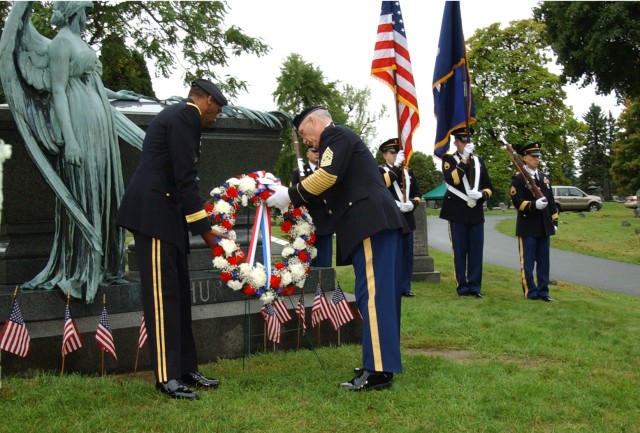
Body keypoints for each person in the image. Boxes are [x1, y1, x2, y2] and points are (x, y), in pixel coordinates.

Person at [0, 2, 144, 302]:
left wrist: (117, 94)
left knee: (103, 192)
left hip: (99, 122)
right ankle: (82, 266)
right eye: (85, 10)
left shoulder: (79, 42)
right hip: (78, 122)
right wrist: (70, 140)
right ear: (74, 11)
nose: (88, 15)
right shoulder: (60, 44)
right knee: (86, 192)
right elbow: (59, 90)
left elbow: (92, 82)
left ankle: (106, 265)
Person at [267, 107, 407, 391]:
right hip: (372, 224)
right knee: (379, 296)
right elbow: (326, 194)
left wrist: (289, 194)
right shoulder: (336, 141)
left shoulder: (335, 134)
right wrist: (291, 202)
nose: (306, 142)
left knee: (374, 297)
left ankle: (378, 370)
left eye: (305, 134)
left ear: (315, 122)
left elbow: (326, 178)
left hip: (370, 223)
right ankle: (381, 361)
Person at [116, 79, 228, 400]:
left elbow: (183, 177)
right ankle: (166, 376)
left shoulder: (184, 118)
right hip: (154, 215)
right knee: (163, 299)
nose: (216, 116)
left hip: (169, 216)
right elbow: (185, 177)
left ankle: (185, 369)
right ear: (205, 100)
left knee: (178, 296)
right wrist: (208, 234)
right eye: (216, 109)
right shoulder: (185, 116)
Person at [439, 127, 494, 298]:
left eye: (468, 141)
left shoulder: (478, 161)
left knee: (476, 251)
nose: (465, 143)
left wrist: (482, 195)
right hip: (457, 211)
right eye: (462, 140)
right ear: (456, 142)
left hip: (475, 211)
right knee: (460, 251)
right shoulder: (449, 159)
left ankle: (475, 286)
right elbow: (453, 179)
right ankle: (462, 287)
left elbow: (489, 187)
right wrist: (463, 159)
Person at [510, 142, 558, 301]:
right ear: (524, 158)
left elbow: (551, 202)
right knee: (528, 262)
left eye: (538, 156)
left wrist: (554, 221)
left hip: (544, 226)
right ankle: (531, 291)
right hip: (528, 226)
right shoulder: (518, 179)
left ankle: (544, 291)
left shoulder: (544, 178)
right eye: (533, 156)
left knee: (544, 262)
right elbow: (517, 202)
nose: (537, 159)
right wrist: (533, 205)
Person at [379, 138, 422, 298]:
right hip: (391, 218)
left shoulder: (408, 172)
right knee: (392, 255)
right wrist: (396, 166)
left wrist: (412, 203)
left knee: (406, 256)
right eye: (392, 152)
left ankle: (405, 286)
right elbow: (383, 186)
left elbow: (417, 193)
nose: (395, 155)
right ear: (384, 155)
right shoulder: (380, 171)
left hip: (407, 218)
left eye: (398, 152)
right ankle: (392, 286)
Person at [290, 146, 334, 267]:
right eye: (314, 151)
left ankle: (324, 286)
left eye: (320, 151)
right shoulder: (298, 172)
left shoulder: (328, 171)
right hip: (306, 224)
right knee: (306, 263)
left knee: (325, 263)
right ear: (307, 154)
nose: (317, 154)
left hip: (325, 223)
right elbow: (294, 198)